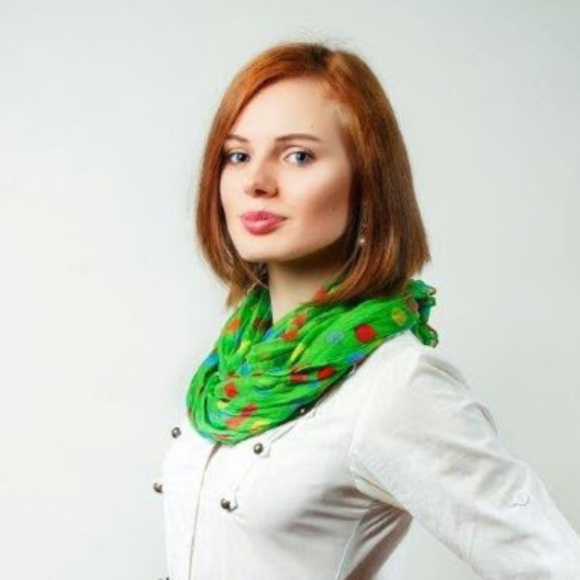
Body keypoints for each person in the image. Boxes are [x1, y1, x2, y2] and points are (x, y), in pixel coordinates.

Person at [158, 40, 580, 579]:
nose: (256, 181)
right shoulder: (234, 367)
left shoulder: (395, 385)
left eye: (298, 155)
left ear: (367, 182)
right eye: (237, 155)